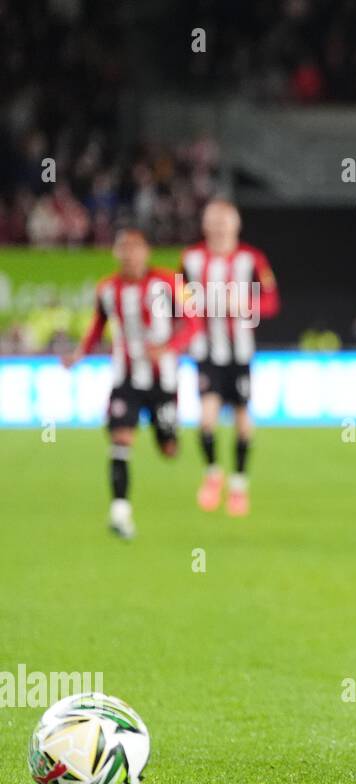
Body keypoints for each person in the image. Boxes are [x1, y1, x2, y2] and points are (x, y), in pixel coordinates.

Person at [62, 229, 187, 539]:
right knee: (120, 440)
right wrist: (79, 354)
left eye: (135, 248)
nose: (129, 254)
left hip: (163, 380)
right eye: (123, 249)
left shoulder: (169, 282)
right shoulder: (107, 289)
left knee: (169, 449)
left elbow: (192, 322)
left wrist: (168, 348)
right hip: (125, 379)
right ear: (116, 254)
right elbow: (97, 327)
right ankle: (120, 512)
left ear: (146, 251)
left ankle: (169, 433)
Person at [182, 199, 280, 516]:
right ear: (205, 225)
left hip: (239, 353)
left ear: (236, 225)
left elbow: (271, 302)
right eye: (215, 221)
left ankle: (238, 485)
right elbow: (176, 298)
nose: (221, 227)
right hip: (206, 352)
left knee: (242, 419)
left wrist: (246, 308)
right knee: (206, 419)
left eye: (226, 222)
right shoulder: (191, 258)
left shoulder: (252, 259)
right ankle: (213, 473)